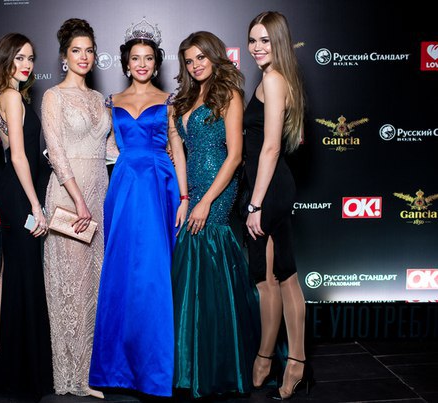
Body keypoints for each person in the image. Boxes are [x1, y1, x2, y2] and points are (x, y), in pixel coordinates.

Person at [89, 18, 188, 397]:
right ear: (126, 64)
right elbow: (101, 147)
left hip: (159, 185)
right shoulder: (111, 101)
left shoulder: (170, 101)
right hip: (125, 185)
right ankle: (117, 370)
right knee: (122, 271)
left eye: (148, 58)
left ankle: (156, 372)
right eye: (135, 58)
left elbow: (177, 149)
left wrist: (184, 197)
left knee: (153, 273)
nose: (142, 64)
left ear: (156, 63)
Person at [171, 31, 260, 399]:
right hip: (193, 188)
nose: (195, 65)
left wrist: (207, 201)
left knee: (211, 258)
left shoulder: (229, 95)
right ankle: (190, 363)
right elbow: (179, 150)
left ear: (214, 56)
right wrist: (185, 197)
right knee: (191, 266)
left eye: (201, 57)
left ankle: (221, 363)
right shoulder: (186, 97)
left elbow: (235, 155)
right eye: (189, 61)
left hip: (218, 189)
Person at [0, 33, 53, 400]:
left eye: (30, 58)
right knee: (24, 276)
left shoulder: (2, 96)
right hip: (19, 194)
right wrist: (36, 205)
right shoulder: (12, 97)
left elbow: (14, 153)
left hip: (10, 189)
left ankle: (9, 364)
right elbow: (18, 156)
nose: (26, 65)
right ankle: (22, 373)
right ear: (5, 59)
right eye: (19, 57)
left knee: (13, 275)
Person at [243, 11, 313, 400]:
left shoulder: (272, 79)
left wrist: (254, 206)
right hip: (270, 186)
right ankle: (270, 359)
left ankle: (292, 362)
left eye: (265, 40)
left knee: (281, 277)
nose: (257, 47)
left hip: (268, 190)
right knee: (277, 277)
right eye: (253, 40)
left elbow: (270, 147)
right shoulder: (276, 77)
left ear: (279, 42)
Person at [41, 18, 111, 399]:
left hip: (100, 193)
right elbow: (56, 152)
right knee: (72, 287)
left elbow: (109, 150)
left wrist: (151, 151)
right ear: (64, 57)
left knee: (95, 287)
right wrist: (80, 201)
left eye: (89, 50)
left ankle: (91, 370)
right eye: (76, 51)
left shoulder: (101, 99)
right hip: (70, 198)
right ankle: (73, 376)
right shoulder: (53, 97)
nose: (83, 57)